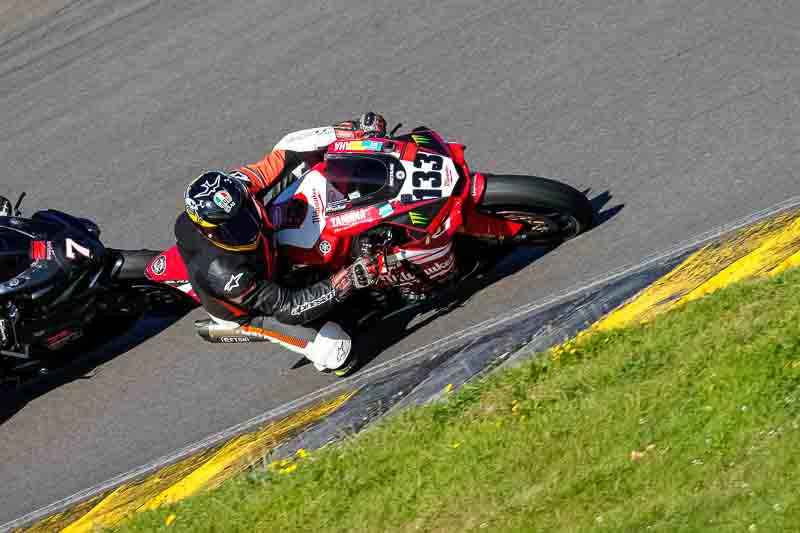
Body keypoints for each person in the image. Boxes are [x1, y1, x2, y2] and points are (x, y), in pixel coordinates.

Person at [175, 113, 387, 376]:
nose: (246, 225)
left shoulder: (236, 188)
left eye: (245, 212)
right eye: (234, 226)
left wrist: (348, 132)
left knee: (316, 164)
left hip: (268, 248)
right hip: (253, 307)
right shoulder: (226, 274)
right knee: (336, 351)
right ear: (213, 233)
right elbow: (288, 306)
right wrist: (344, 284)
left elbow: (286, 150)